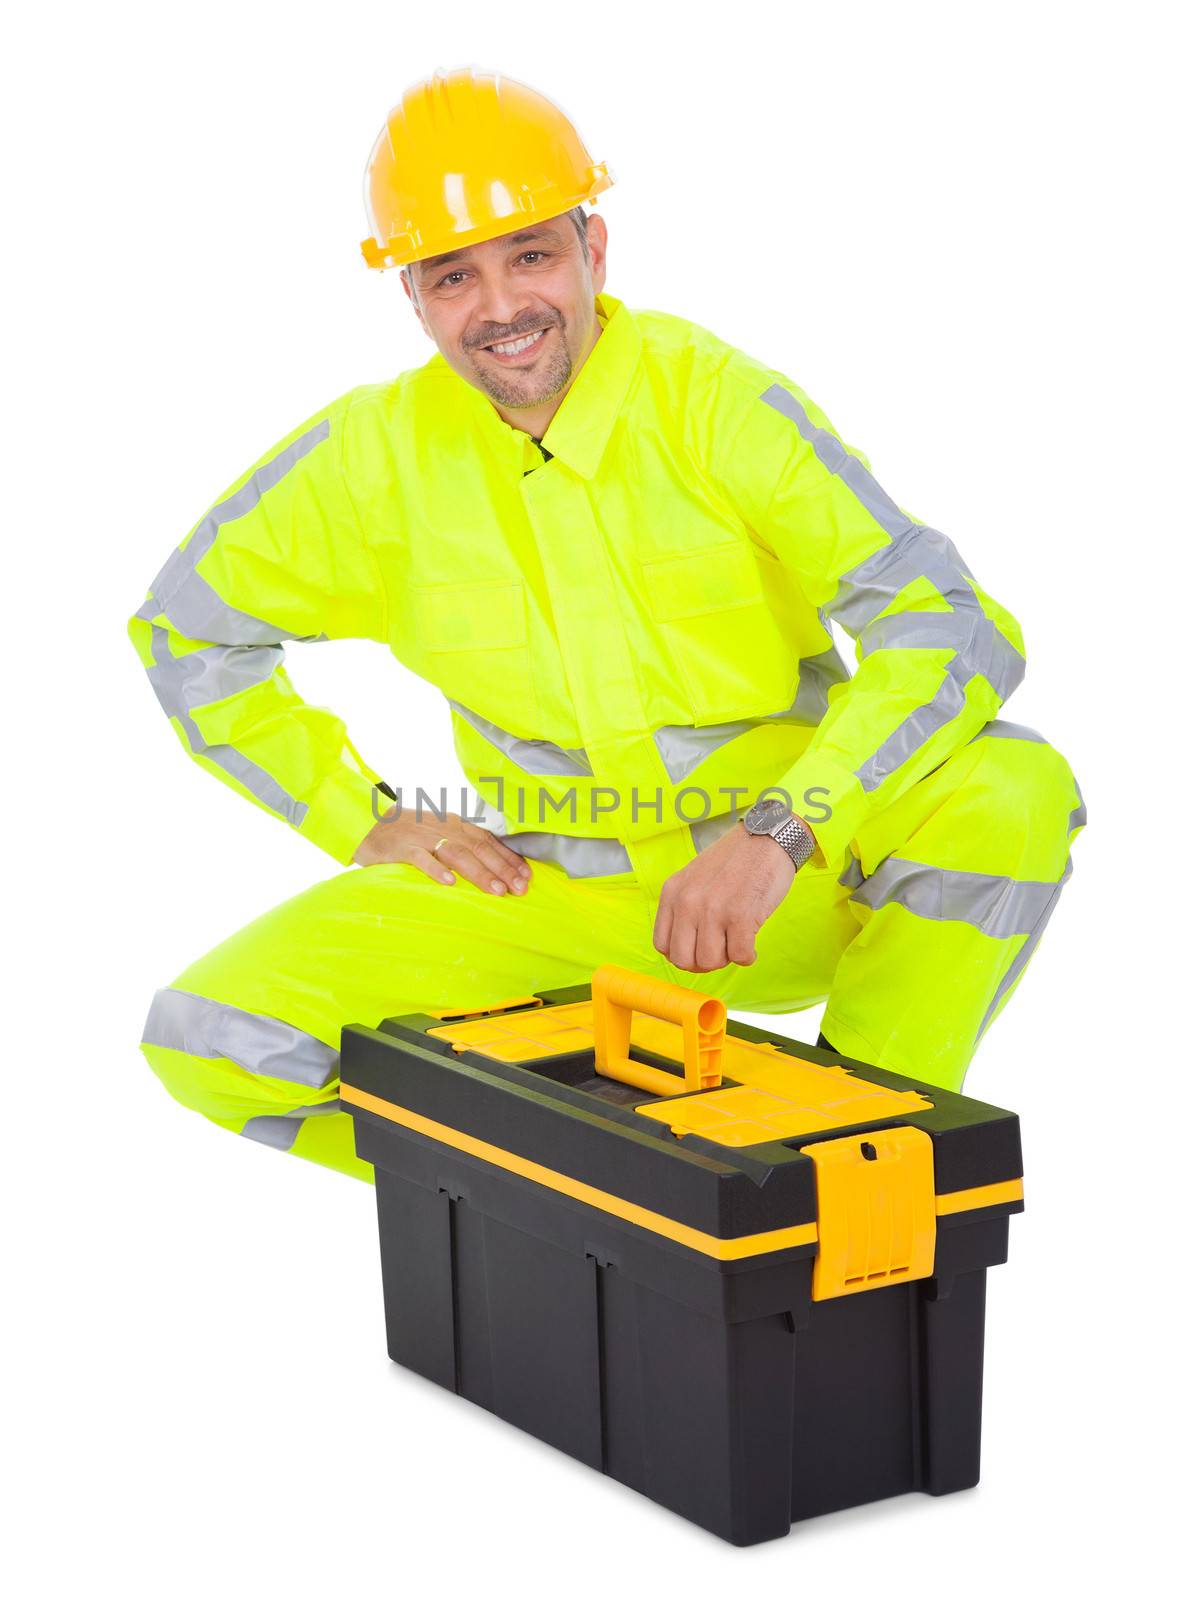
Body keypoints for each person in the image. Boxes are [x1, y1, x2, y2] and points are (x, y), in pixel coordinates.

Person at [130, 67, 1085, 1182]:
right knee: (210, 1037)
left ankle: (848, 1149)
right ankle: (592, 1202)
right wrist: (365, 818)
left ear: (594, 247)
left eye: (530, 254)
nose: (499, 306)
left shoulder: (713, 400)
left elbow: (952, 625)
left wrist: (786, 830)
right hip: (552, 906)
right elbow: (183, 632)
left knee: (1011, 789)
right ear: (412, 298)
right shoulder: (368, 460)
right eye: (453, 276)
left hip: (797, 888)